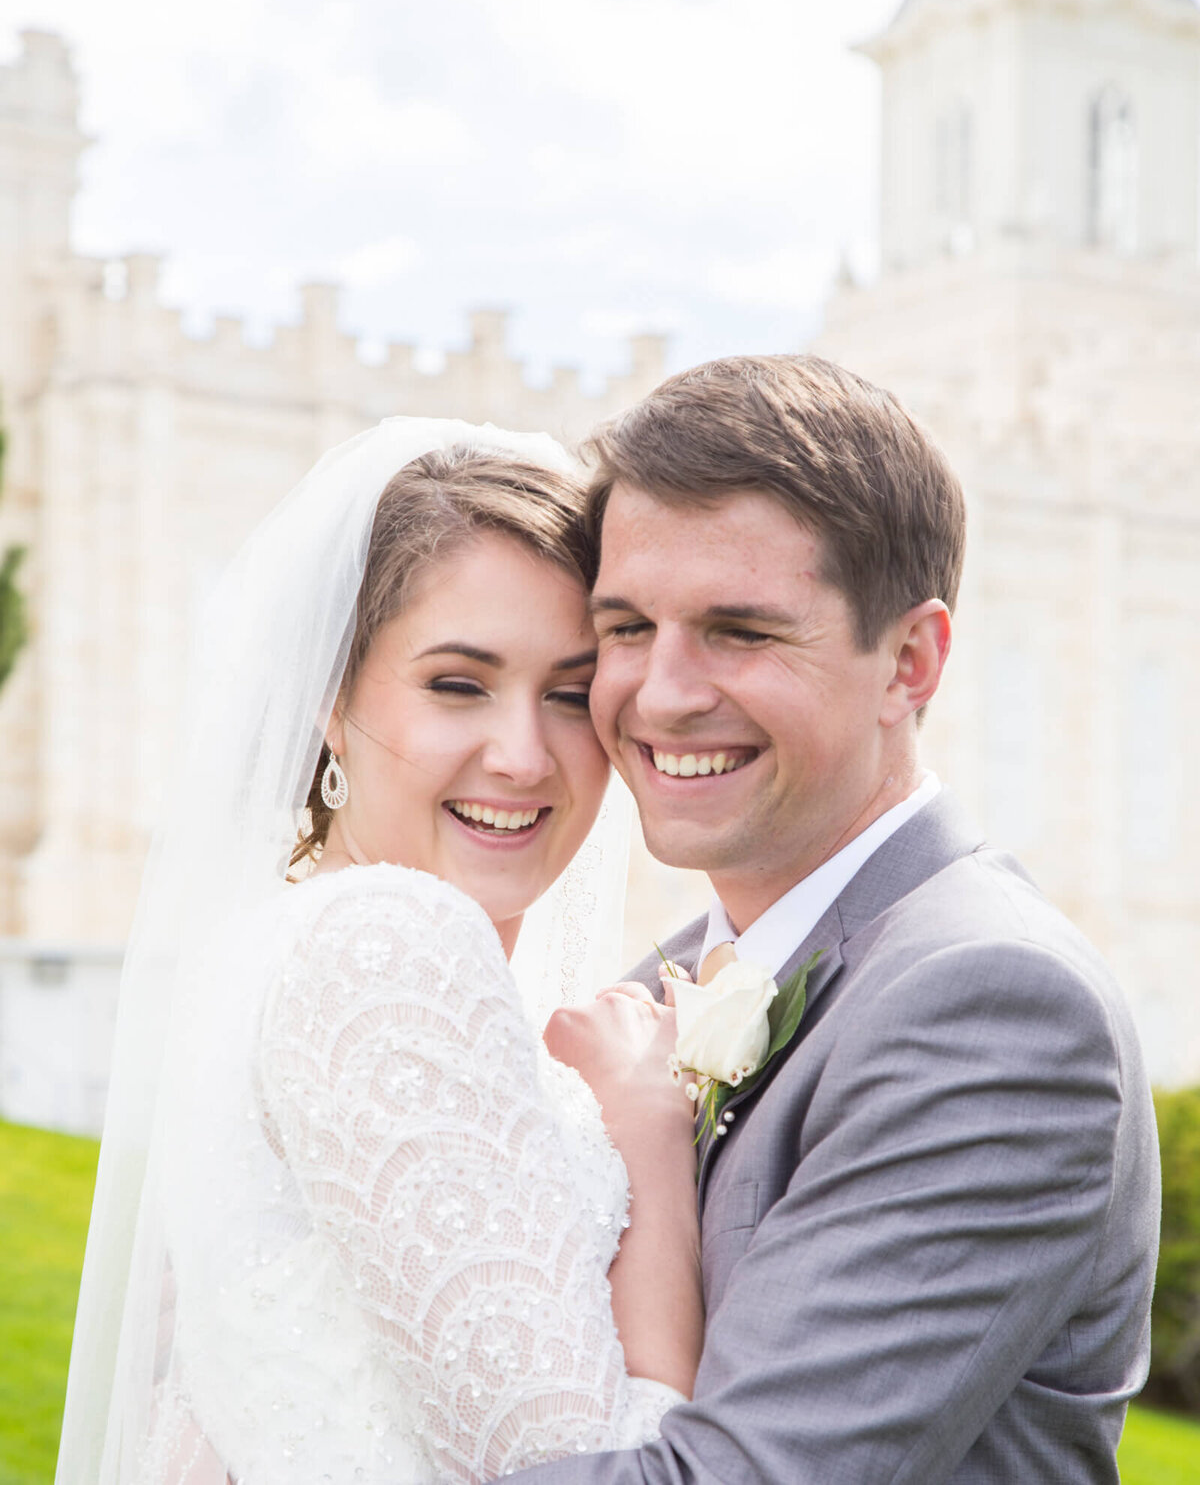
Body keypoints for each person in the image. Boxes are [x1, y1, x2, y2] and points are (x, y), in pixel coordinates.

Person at [518, 354, 1160, 1484]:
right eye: (624, 628)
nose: (661, 693)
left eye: (741, 631)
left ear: (908, 663)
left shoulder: (994, 1005)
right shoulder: (669, 978)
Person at [55, 419, 702, 1485]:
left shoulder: (270, 938)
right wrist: (652, 1140)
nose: (524, 755)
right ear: (333, 704)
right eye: (458, 684)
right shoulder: (386, 942)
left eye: (571, 692)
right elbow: (585, 1466)